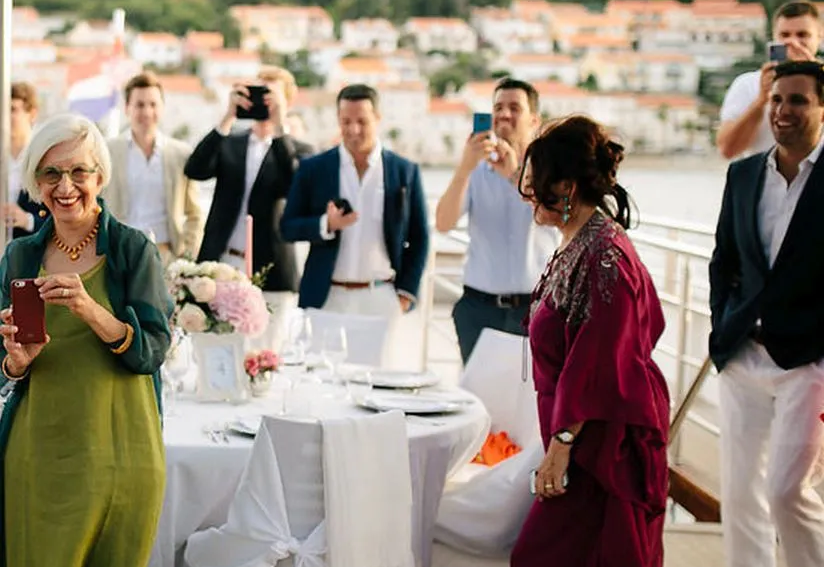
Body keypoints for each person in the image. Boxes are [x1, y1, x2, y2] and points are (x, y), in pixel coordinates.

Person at [471, 115, 730, 567]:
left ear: (564, 185)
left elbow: (609, 354)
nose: (526, 195)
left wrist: (560, 442)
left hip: (602, 449)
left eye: (533, 185)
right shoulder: (579, 242)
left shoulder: (607, 252)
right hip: (585, 436)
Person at [0, 114, 172, 567]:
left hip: (124, 454)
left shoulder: (133, 251)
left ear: (100, 175)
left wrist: (95, 313)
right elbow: (12, 369)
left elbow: (154, 348)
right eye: (51, 172)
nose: (65, 185)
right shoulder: (17, 255)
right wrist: (15, 360)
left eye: (78, 171)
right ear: (35, 182)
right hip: (40, 454)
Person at [706, 60, 824, 567]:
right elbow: (724, 259)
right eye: (777, 99)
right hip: (741, 356)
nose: (783, 110)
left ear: (821, 107)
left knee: (788, 491)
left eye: (798, 101)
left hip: (808, 360)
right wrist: (720, 325)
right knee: (741, 491)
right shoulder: (745, 173)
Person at [280, 83, 429, 330]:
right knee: (319, 368)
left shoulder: (404, 171)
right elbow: (287, 227)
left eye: (362, 121)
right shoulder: (313, 168)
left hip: (381, 296)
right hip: (326, 298)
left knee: (379, 370)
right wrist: (325, 224)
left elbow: (420, 237)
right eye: (345, 121)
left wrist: (405, 293)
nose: (353, 129)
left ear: (378, 118)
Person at [184, 66, 312, 348]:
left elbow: (294, 186)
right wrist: (228, 116)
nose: (263, 101)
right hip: (223, 264)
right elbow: (195, 168)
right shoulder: (231, 142)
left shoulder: (300, 150)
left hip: (272, 271)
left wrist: (280, 128)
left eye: (271, 95)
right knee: (216, 351)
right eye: (259, 93)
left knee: (263, 360)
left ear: (288, 102)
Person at [435, 77, 556, 363]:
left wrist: (515, 175)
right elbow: (443, 223)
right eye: (498, 107)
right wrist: (464, 168)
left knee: (529, 401)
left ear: (534, 120)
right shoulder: (475, 170)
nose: (504, 114)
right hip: (478, 308)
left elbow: (553, 217)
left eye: (515, 107)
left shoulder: (550, 173)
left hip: (533, 309)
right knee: (479, 402)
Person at [105, 71, 204, 262]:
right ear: (127, 108)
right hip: (119, 254)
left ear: (162, 107)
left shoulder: (181, 154)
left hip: (166, 255)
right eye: (140, 105)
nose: (147, 112)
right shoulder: (108, 151)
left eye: (153, 104)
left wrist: (186, 253)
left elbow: (194, 213)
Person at [717, 0, 821, 160]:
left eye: (802, 35)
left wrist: (817, 77)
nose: (792, 43)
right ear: (774, 38)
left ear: (819, 38)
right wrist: (760, 101)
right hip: (763, 179)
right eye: (784, 35)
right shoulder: (747, 84)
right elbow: (727, 149)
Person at [2, 83, 47, 241]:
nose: (5, 116)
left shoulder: (44, 157)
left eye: (13, 109)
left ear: (32, 113)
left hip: (28, 253)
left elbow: (60, 222)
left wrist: (27, 220)